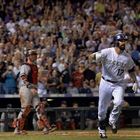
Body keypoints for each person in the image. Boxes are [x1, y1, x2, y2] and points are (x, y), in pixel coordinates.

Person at [89, 33, 138, 138]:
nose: (123, 43)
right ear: (116, 42)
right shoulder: (107, 52)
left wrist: (135, 81)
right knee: (102, 109)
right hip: (105, 82)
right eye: (121, 41)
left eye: (124, 41)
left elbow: (131, 69)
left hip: (119, 84)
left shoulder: (127, 57)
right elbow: (91, 57)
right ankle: (102, 129)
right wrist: (94, 56)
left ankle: (112, 120)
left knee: (119, 102)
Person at [13, 49, 56, 135]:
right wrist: (30, 87)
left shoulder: (35, 66)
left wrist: (43, 77)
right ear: (28, 56)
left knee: (39, 107)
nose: (34, 56)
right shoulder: (25, 65)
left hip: (33, 88)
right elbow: (23, 77)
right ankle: (18, 130)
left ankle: (46, 128)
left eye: (35, 54)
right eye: (32, 54)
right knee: (25, 109)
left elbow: (36, 78)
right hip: (26, 88)